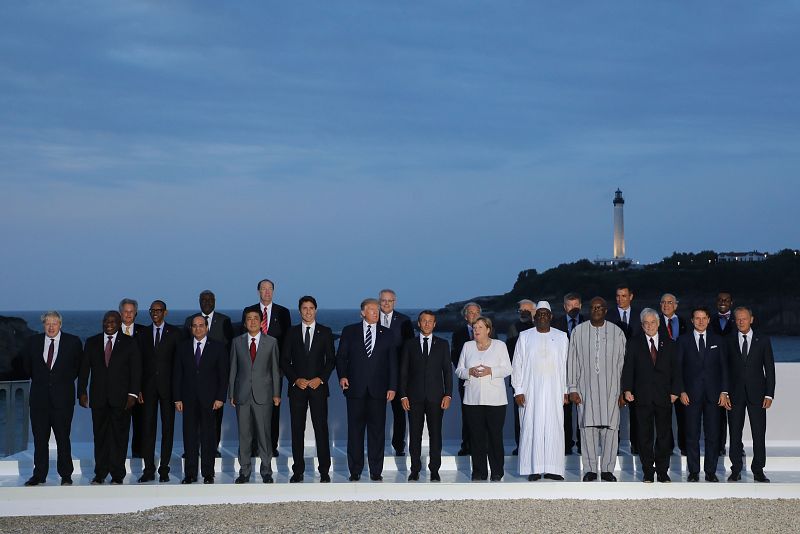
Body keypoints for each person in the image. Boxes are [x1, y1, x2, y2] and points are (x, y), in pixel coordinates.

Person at [336, 298, 397, 481]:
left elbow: (393, 363)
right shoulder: (350, 331)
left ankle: (376, 471)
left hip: (379, 390)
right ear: (362, 312)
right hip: (355, 389)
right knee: (355, 432)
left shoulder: (387, 334)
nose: (375, 312)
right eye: (371, 310)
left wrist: (393, 386)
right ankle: (355, 470)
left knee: (377, 433)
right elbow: (341, 357)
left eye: (377, 310)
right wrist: (342, 376)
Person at [78, 311, 141, 484]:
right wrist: (82, 392)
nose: (109, 323)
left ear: (120, 323)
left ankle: (117, 475)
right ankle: (100, 473)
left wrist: (133, 394)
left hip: (122, 399)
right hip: (98, 399)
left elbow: (136, 371)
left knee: (120, 438)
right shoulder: (92, 342)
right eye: (106, 320)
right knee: (100, 437)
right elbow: (84, 371)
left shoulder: (129, 343)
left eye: (113, 321)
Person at [567, 297, 626, 482]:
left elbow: (623, 363)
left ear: (606, 310)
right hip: (586, 390)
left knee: (610, 430)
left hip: (612, 391)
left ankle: (608, 469)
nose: (596, 310)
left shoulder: (617, 332)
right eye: (593, 307)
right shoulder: (578, 332)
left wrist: (624, 390)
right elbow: (572, 362)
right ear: (589, 310)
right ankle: (590, 469)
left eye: (600, 307)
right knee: (587, 430)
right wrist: (572, 388)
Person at [22, 311, 83, 486]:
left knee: (63, 438)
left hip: (62, 400)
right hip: (39, 400)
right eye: (47, 323)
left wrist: (61, 382)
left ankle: (66, 475)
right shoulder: (33, 342)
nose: (51, 327)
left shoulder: (73, 342)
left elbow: (77, 367)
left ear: (60, 324)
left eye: (54, 323)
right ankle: (39, 475)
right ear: (43, 325)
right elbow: (27, 366)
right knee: (40, 439)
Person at [280, 296, 336, 483]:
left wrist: (320, 379)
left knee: (321, 429)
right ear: (299, 310)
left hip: (318, 388)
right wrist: (296, 379)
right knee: (297, 430)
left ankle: (324, 471)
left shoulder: (326, 332)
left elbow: (331, 360)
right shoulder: (291, 332)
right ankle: (298, 471)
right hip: (297, 389)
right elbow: (284, 360)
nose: (308, 311)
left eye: (311, 308)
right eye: (304, 308)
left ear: (316, 310)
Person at [512, 302, 569, 481]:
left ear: (551, 317)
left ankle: (553, 468)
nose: (542, 317)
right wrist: (518, 390)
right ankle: (534, 468)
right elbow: (517, 365)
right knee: (532, 427)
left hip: (555, 390)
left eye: (546, 314)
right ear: (534, 317)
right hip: (530, 391)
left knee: (554, 428)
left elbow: (567, 365)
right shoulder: (524, 336)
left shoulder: (562, 337)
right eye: (539, 314)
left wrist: (566, 390)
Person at [622, 309, 681, 483]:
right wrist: (627, 390)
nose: (649, 326)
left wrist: (675, 392)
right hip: (642, 396)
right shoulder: (634, 343)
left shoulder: (669, 343)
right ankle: (648, 471)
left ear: (658, 323)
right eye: (646, 323)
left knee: (664, 436)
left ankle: (663, 471)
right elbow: (628, 368)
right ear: (642, 325)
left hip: (664, 396)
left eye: (652, 322)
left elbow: (676, 370)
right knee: (644, 436)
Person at [455, 316, 512, 481]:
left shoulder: (499, 346)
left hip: (496, 400)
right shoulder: (467, 346)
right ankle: (479, 472)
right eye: (474, 328)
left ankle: (496, 471)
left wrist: (491, 371)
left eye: (480, 327)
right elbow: (459, 370)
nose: (476, 330)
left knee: (495, 436)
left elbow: (508, 369)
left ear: (488, 329)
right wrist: (469, 372)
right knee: (476, 436)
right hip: (472, 399)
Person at [173, 316, 228, 484]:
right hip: (188, 399)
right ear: (191, 328)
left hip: (210, 400)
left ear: (207, 327)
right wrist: (177, 398)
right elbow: (177, 374)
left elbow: (223, 375)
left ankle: (208, 473)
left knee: (208, 437)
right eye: (195, 326)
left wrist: (220, 397)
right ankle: (190, 473)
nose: (198, 329)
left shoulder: (218, 347)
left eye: (201, 326)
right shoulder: (182, 348)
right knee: (189, 437)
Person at [399, 310, 452, 482]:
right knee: (414, 434)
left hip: (437, 397)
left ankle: (434, 469)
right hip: (413, 398)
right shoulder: (409, 345)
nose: (427, 324)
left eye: (430, 321)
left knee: (436, 434)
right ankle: (415, 469)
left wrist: (448, 395)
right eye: (424, 321)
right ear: (419, 324)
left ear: (435, 324)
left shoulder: (443, 344)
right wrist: (403, 396)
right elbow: (403, 373)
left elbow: (447, 372)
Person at [677, 307, 729, 482]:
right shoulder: (683, 341)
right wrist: (681, 390)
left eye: (703, 318)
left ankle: (710, 472)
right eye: (697, 318)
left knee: (713, 435)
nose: (700, 321)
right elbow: (678, 369)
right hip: (690, 395)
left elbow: (724, 368)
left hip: (713, 395)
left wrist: (724, 391)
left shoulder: (718, 340)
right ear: (692, 320)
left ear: (708, 319)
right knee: (691, 435)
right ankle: (693, 471)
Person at [241, 279, 292, 457]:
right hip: (253, 369)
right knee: (252, 407)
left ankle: (271, 445)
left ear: (274, 291)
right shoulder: (249, 311)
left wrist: (283, 368)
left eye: (270, 289)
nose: (267, 292)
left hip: (275, 369)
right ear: (258, 292)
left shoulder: (283, 313)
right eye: (264, 289)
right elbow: (244, 339)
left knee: (273, 408)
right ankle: (254, 445)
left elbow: (287, 341)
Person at [230, 310, 281, 484]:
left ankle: (266, 470)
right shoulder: (237, 342)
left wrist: (276, 393)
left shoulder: (271, 342)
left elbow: (275, 370)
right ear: (244, 323)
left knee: (264, 434)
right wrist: (231, 394)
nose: (252, 321)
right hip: (242, 395)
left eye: (255, 319)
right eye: (249, 319)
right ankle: (244, 471)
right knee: (244, 435)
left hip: (264, 395)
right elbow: (233, 370)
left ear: (261, 322)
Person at [725, 306, 775, 483]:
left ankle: (758, 469)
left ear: (751, 319)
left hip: (758, 395)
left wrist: (769, 394)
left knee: (758, 433)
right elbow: (725, 369)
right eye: (738, 319)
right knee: (735, 434)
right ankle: (736, 469)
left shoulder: (763, 340)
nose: (741, 322)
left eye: (744, 319)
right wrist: (725, 392)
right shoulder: (729, 340)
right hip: (735, 395)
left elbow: (769, 369)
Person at [183, 290, 234, 457]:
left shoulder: (225, 320)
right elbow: (186, 347)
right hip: (194, 380)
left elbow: (229, 348)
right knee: (193, 420)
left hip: (215, 377)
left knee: (215, 418)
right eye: (203, 299)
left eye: (209, 299)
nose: (206, 302)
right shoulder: (190, 321)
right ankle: (193, 448)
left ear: (215, 301)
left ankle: (213, 448)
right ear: (198, 301)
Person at [138, 300, 183, 483]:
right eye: (152, 310)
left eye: (158, 310)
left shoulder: (175, 333)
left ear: (165, 312)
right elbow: (138, 363)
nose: (155, 313)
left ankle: (164, 469)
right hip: (147, 390)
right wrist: (137, 389)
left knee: (167, 430)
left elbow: (179, 364)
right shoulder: (143, 333)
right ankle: (148, 469)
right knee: (147, 430)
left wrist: (178, 391)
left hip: (168, 389)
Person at [378, 289, 415, 457]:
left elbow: (410, 348)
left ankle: (399, 445)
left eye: (389, 301)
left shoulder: (404, 321)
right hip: (376, 373)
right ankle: (376, 445)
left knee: (399, 412)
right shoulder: (371, 317)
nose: (386, 303)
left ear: (395, 302)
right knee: (375, 412)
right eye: (383, 300)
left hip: (398, 373)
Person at [606, 284, 641, 455]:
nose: (620, 299)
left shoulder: (640, 316)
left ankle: (636, 444)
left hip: (635, 368)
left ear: (631, 296)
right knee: (614, 408)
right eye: (618, 296)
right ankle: (615, 445)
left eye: (624, 296)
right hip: (614, 366)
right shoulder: (609, 315)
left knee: (635, 407)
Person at [551, 292, 584, 455]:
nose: (573, 308)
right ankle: (565, 445)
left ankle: (582, 445)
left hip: (583, 374)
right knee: (564, 412)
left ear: (581, 306)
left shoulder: (588, 322)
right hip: (562, 374)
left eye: (576, 305)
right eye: (570, 305)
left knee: (583, 411)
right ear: (565, 307)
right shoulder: (555, 324)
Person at [451, 302, 483, 456]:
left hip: (485, 380)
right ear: (465, 316)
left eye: (476, 312)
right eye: (471, 312)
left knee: (484, 414)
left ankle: (483, 445)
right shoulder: (458, 334)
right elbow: (455, 357)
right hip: (466, 379)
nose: (474, 315)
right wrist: (468, 371)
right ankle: (467, 445)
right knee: (467, 413)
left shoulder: (489, 331)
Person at [505, 299, 536, 455]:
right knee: (519, 416)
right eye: (521, 311)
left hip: (537, 378)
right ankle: (521, 445)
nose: (523, 313)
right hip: (519, 379)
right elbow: (510, 353)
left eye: (527, 310)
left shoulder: (539, 327)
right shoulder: (513, 328)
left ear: (534, 311)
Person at [658, 293, 688, 455]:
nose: (666, 305)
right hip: (663, 375)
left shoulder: (684, 322)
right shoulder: (654, 322)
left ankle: (684, 446)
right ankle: (667, 447)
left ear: (676, 305)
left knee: (684, 414)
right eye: (663, 302)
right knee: (664, 415)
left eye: (670, 302)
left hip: (683, 375)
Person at [119, 298, 147, 459]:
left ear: (135, 313)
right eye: (125, 311)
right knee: (119, 425)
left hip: (139, 389)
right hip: (118, 387)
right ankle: (118, 456)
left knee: (140, 424)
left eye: (131, 311)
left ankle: (138, 455)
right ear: (120, 313)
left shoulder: (144, 332)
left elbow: (147, 362)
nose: (128, 314)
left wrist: (139, 388)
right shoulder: (113, 331)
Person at [710, 291, 734, 456]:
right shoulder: (709, 321)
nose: (723, 302)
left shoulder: (739, 320)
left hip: (736, 373)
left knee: (735, 414)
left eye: (726, 300)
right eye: (720, 299)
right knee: (717, 414)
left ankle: (736, 447)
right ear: (716, 302)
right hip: (715, 373)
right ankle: (719, 446)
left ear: (731, 302)